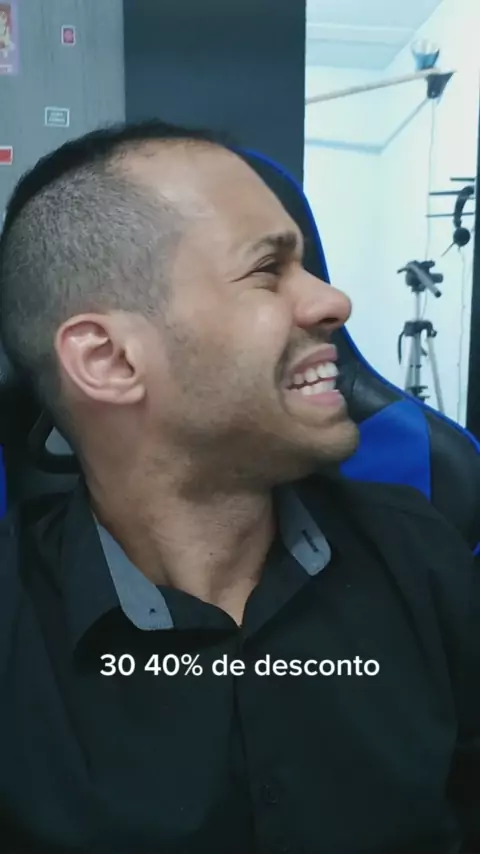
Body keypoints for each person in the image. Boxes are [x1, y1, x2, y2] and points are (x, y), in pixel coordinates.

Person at [0, 120, 478, 854]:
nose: (334, 302)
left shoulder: (423, 557)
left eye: (307, 265)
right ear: (110, 360)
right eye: (267, 270)